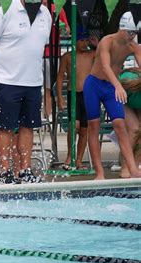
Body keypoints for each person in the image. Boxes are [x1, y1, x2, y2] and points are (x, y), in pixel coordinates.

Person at [0, 0, 51, 184]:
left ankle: (24, 169)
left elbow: (39, 43)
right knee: (6, 128)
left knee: (28, 127)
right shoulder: (4, 12)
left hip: (34, 81)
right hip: (8, 80)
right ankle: (4, 171)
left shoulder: (45, 13)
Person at [83, 11, 141, 179]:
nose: (132, 36)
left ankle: (133, 169)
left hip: (111, 87)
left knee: (121, 126)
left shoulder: (133, 46)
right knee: (94, 126)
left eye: (135, 33)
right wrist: (118, 86)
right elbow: (106, 67)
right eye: (130, 32)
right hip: (94, 84)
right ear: (122, 29)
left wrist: (116, 86)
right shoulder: (106, 41)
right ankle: (99, 172)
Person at [56, 27, 94, 170]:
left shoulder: (92, 55)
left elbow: (104, 55)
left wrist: (95, 44)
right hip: (74, 95)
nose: (84, 43)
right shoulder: (67, 56)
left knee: (85, 129)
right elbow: (60, 77)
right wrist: (60, 97)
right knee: (74, 126)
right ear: (75, 41)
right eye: (81, 40)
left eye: (86, 40)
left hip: (88, 96)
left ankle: (78, 160)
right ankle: (69, 156)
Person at [42, 0, 70, 120]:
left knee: (49, 87)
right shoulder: (32, 9)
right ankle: (47, 116)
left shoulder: (56, 8)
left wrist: (61, 28)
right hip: (40, 54)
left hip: (51, 54)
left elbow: (67, 30)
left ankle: (49, 116)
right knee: (44, 88)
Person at [118, 68, 141, 178]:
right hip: (122, 101)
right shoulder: (128, 78)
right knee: (134, 129)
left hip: (138, 104)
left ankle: (135, 166)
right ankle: (125, 166)